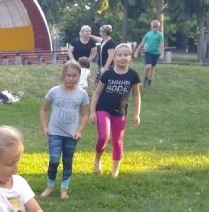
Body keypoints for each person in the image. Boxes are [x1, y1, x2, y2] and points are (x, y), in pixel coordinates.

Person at [38, 60, 91, 200]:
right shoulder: (54, 91)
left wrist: (79, 130)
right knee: (54, 159)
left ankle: (64, 189)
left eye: (74, 76)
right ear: (63, 75)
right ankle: (49, 186)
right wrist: (44, 127)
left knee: (67, 161)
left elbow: (85, 114)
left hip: (71, 135)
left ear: (79, 77)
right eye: (68, 75)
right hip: (55, 132)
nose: (71, 78)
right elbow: (43, 110)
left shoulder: (82, 94)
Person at [90, 43, 141, 178]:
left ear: (130, 57)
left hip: (120, 112)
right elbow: (96, 93)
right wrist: (92, 111)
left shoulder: (133, 75)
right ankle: (97, 160)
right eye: (119, 55)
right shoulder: (107, 74)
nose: (122, 58)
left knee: (117, 140)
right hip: (103, 110)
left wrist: (136, 114)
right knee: (103, 137)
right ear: (114, 57)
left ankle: (115, 170)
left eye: (126, 55)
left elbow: (136, 95)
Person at [134, 20, 165, 87]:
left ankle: (149, 80)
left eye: (156, 28)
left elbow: (162, 45)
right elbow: (142, 44)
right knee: (148, 66)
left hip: (156, 53)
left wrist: (162, 54)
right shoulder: (148, 34)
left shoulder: (160, 35)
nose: (155, 29)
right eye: (153, 27)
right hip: (148, 52)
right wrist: (136, 52)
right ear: (151, 27)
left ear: (158, 28)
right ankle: (145, 78)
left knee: (152, 68)